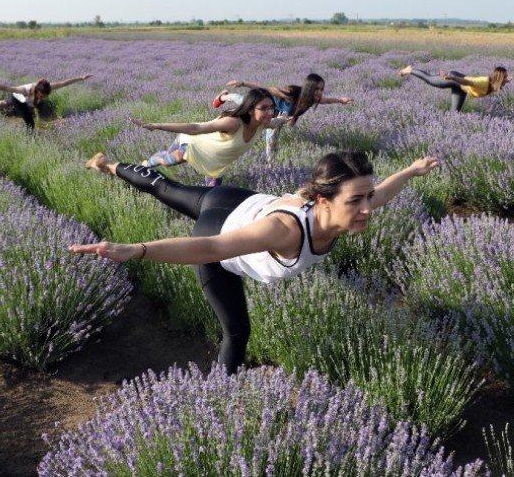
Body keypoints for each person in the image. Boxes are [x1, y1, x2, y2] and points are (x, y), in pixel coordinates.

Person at [70, 151, 439, 374]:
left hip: (239, 200)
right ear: (324, 201)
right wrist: (137, 250)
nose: (366, 208)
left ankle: (108, 164)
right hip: (221, 226)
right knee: (237, 332)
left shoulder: (350, 207)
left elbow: (385, 191)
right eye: (356, 200)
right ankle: (221, 401)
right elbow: (211, 248)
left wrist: (411, 169)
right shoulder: (285, 230)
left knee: (169, 189)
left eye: (367, 197)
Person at [98, 88, 288, 187]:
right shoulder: (234, 123)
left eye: (271, 108)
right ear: (250, 107)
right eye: (264, 108)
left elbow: (276, 122)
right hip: (194, 146)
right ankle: (142, 166)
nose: (269, 112)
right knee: (169, 160)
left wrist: (283, 119)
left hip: (213, 164)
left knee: (210, 194)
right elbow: (196, 128)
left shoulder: (265, 123)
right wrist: (156, 126)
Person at [212, 74, 354, 162]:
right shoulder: (292, 92)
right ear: (309, 87)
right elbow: (266, 89)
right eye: (316, 89)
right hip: (267, 106)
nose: (319, 92)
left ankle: (270, 165)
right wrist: (243, 83)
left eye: (321, 89)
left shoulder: (313, 99)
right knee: (243, 101)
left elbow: (326, 100)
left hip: (278, 118)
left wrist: (341, 100)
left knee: (272, 141)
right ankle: (223, 96)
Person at [0, 74, 93, 129]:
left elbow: (64, 83)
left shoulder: (48, 88)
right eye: (43, 95)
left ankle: (6, 104)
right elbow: (5, 87)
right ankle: (30, 137)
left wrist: (81, 78)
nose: (45, 97)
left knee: (31, 108)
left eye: (46, 96)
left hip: (28, 101)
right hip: (18, 99)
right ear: (37, 91)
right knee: (29, 121)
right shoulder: (24, 90)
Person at [399, 65, 510, 112]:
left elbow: (498, 85)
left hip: (461, 89)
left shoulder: (494, 84)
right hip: (455, 80)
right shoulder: (484, 82)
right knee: (430, 80)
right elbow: (467, 81)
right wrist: (451, 77)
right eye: (505, 77)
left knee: (454, 113)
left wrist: (507, 80)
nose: (506, 79)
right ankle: (410, 70)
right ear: (499, 78)